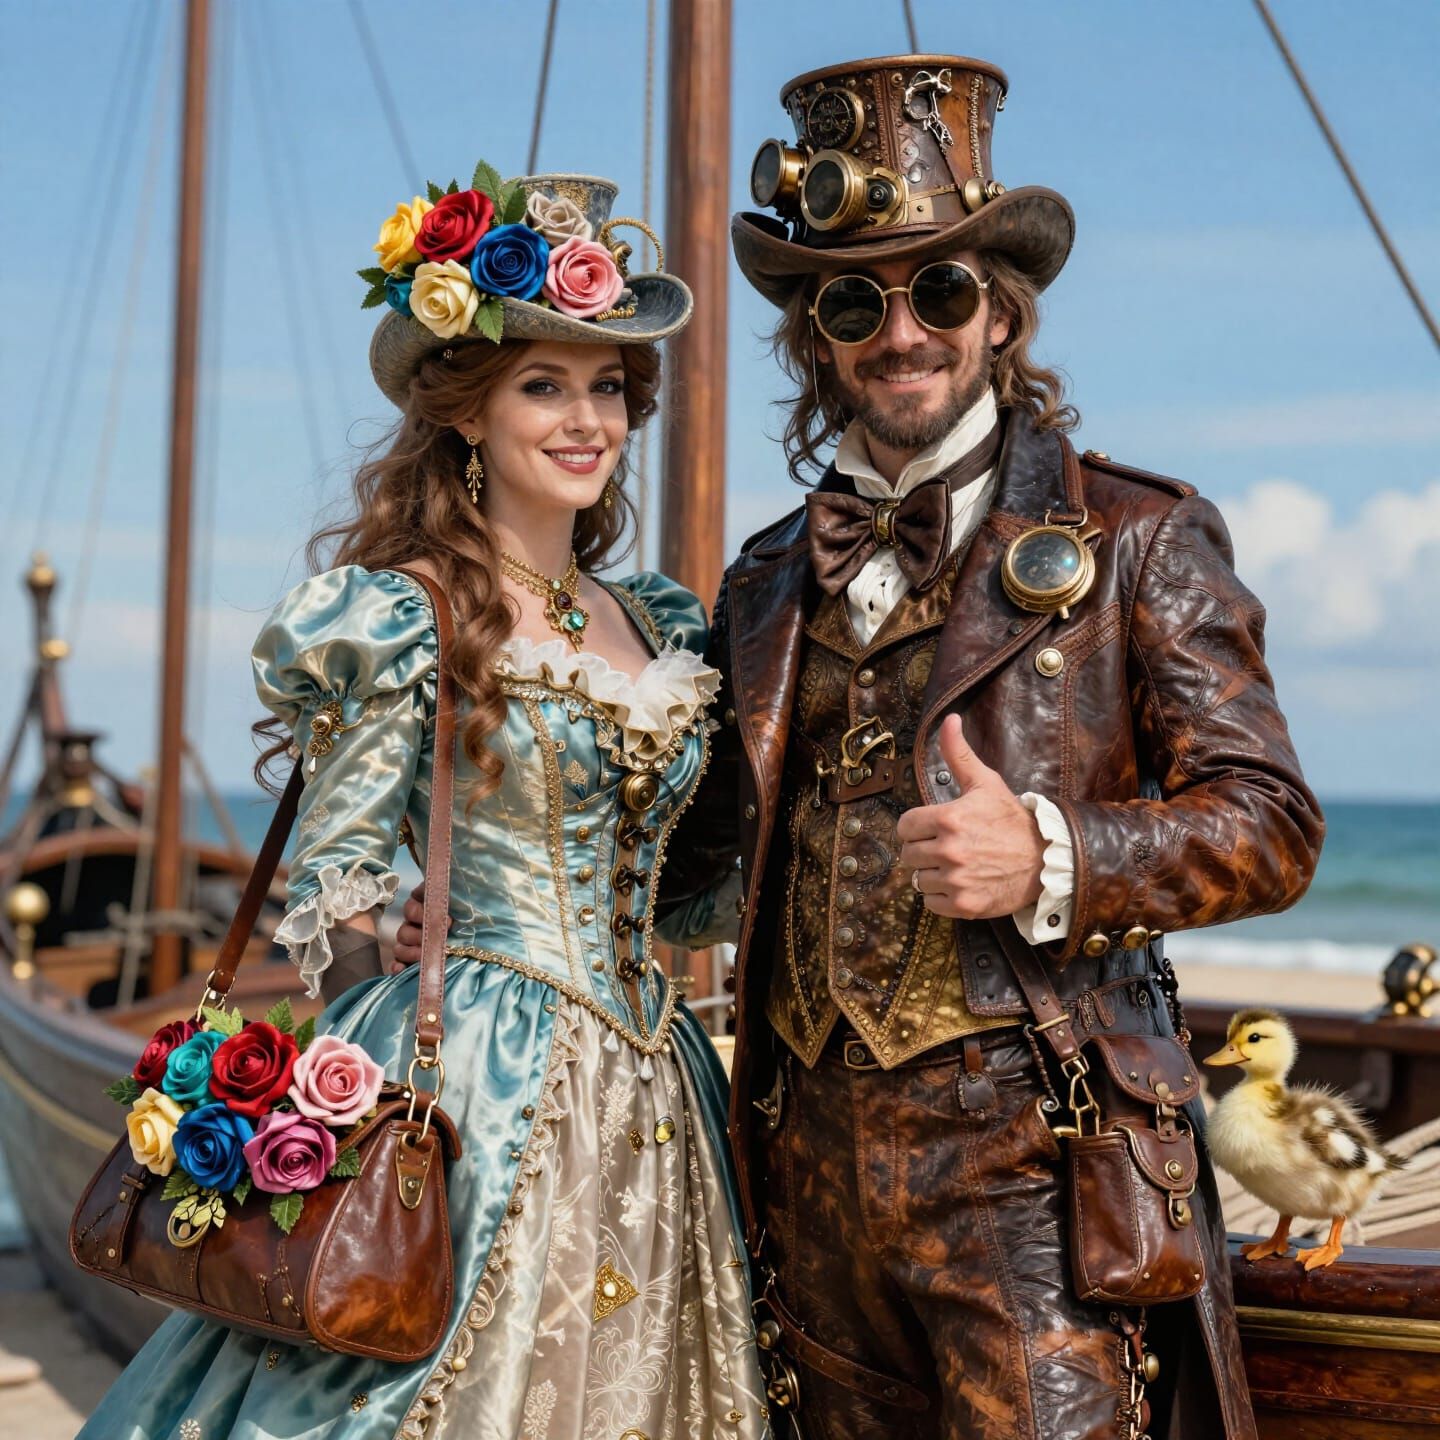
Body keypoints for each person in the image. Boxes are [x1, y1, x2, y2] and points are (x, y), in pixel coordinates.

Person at [653, 53, 1323, 1440]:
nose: (902, 331)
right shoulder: (764, 580)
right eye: (855, 299)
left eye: (942, 290)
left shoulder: (1139, 537)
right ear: (816, 336)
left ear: (1002, 313)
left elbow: (1269, 822)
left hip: (1038, 1169)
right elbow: (702, 865)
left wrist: (1054, 851)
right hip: (806, 1177)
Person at [76, 168, 767, 1440]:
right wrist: (377, 976)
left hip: (661, 1090)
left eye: (607, 385)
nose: (585, 420)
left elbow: (693, 889)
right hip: (474, 1081)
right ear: (464, 414)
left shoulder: (661, 620)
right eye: (542, 385)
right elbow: (333, 876)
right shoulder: (405, 615)